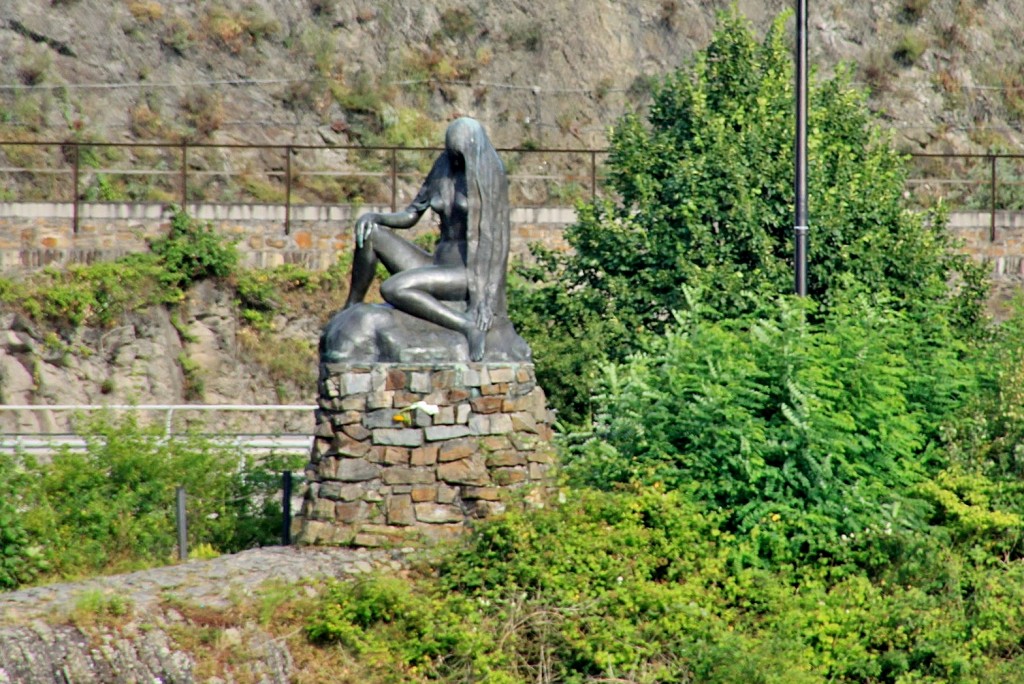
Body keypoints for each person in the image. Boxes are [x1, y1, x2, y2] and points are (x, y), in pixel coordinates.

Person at [340, 117, 510, 362]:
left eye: (459, 155)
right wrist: (377, 217)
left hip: (468, 273)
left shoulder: (491, 176)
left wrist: (486, 298)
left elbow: (497, 244)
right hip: (436, 263)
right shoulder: (443, 167)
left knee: (393, 287)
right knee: (370, 234)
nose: (454, 160)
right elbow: (412, 214)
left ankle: (466, 325)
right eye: (451, 153)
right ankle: (350, 307)